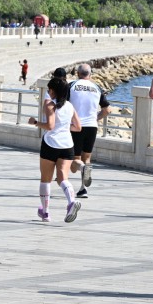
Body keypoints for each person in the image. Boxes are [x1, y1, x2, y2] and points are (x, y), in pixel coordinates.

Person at [28, 77, 82, 223]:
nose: (48, 92)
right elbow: (78, 127)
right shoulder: (70, 106)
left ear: (53, 91)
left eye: (49, 89)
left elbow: (50, 126)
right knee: (63, 177)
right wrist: (64, 128)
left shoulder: (51, 105)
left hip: (51, 143)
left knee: (46, 179)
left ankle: (45, 212)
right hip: (67, 145)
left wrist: (35, 122)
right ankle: (71, 202)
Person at [67, 63, 110, 199]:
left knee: (75, 160)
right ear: (90, 74)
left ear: (78, 73)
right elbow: (107, 110)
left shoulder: (72, 86)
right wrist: (95, 118)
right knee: (87, 158)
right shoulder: (97, 88)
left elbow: (64, 105)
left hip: (75, 126)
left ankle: (83, 170)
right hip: (92, 126)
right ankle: (83, 189)